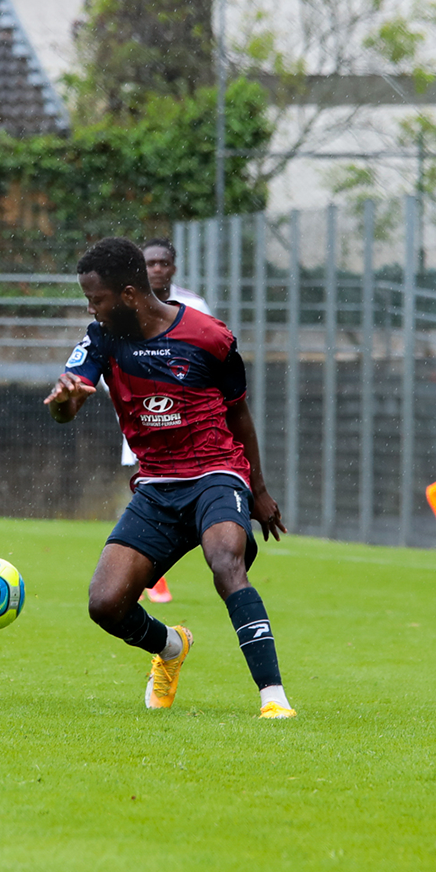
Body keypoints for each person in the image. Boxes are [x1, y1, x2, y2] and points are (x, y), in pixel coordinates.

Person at [45, 237, 295, 719]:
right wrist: (63, 405)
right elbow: (71, 398)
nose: (92, 309)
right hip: (157, 485)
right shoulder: (101, 337)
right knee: (106, 604)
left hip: (215, 472)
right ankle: (171, 646)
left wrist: (259, 490)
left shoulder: (209, 336)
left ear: (130, 295)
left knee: (226, 560)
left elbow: (239, 414)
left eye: (97, 299)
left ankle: (274, 698)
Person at [125, 238, 213, 604]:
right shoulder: (126, 307)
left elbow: (215, 355)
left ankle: (157, 565)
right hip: (142, 415)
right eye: (151, 263)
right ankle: (151, 574)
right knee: (141, 488)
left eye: (163, 262)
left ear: (173, 267)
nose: (157, 269)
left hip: (188, 420)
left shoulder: (194, 306)